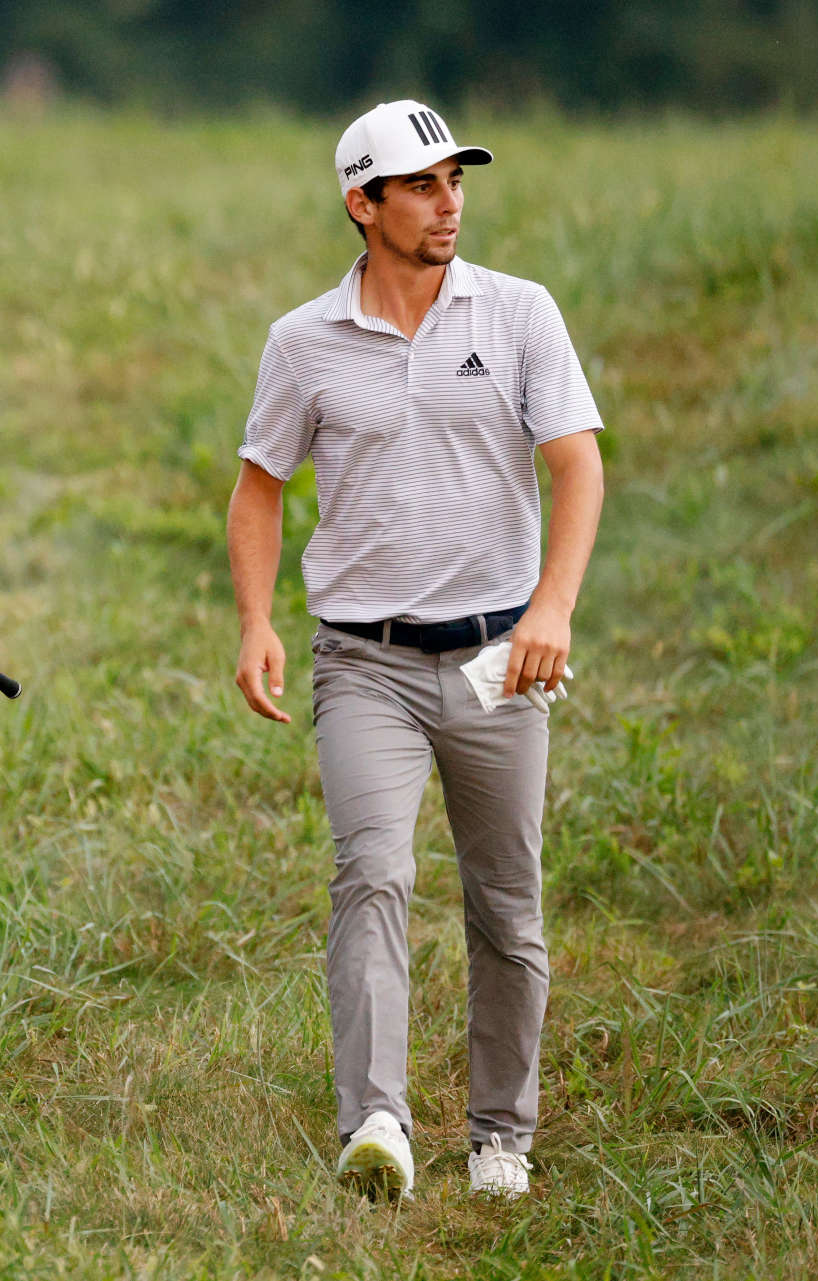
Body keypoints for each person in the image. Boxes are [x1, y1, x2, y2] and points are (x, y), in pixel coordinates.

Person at [225, 100, 605, 1201]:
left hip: (502, 656)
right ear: (363, 203)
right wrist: (255, 622)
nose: (450, 203)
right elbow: (259, 490)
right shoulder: (304, 341)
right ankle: (377, 1122)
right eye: (424, 185)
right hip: (365, 662)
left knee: (506, 903)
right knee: (373, 875)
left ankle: (500, 1137)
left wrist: (553, 608)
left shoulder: (522, 313)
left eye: (457, 183)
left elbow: (577, 467)